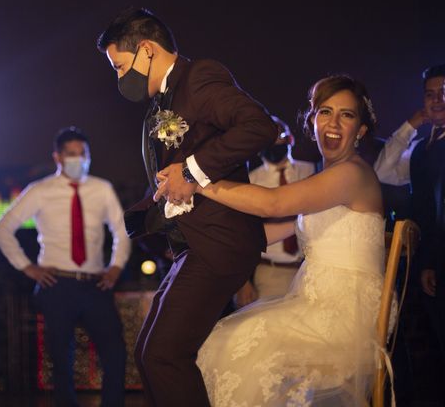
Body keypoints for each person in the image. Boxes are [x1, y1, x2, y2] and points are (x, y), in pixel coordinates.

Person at [158, 75, 384, 406]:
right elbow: (263, 232)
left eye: (347, 115)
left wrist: (194, 179)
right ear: (312, 121)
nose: (333, 123)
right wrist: (198, 234)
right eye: (325, 112)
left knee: (230, 346)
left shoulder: (351, 173)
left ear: (360, 130)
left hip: (343, 317)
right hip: (317, 305)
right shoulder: (330, 179)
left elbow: (272, 203)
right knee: (222, 341)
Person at [97, 7, 277, 406]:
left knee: (164, 356)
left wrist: (192, 171)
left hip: (219, 242)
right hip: (194, 246)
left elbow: (259, 126)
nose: (119, 78)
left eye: (120, 66)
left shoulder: (199, 77)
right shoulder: (164, 97)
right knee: (149, 354)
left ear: (146, 49)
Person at [0, 127, 130, 407]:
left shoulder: (101, 189)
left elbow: (121, 229)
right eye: (71, 154)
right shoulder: (40, 191)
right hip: (57, 284)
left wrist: (116, 266)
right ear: (58, 157)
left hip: (95, 282)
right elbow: (2, 227)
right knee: (61, 359)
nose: (79, 160)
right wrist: (28, 267)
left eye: (83, 154)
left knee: (115, 352)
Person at [373, 63, 445, 395]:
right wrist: (411, 124)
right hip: (423, 256)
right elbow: (385, 171)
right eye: (431, 94)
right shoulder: (421, 146)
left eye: (444, 92)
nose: (437, 100)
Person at [234, 116, 316, 308]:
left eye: (278, 135)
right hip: (270, 271)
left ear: (290, 139)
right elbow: (240, 233)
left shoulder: (312, 171)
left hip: (309, 269)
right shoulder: (250, 180)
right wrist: (243, 282)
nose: (273, 141)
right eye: (265, 137)